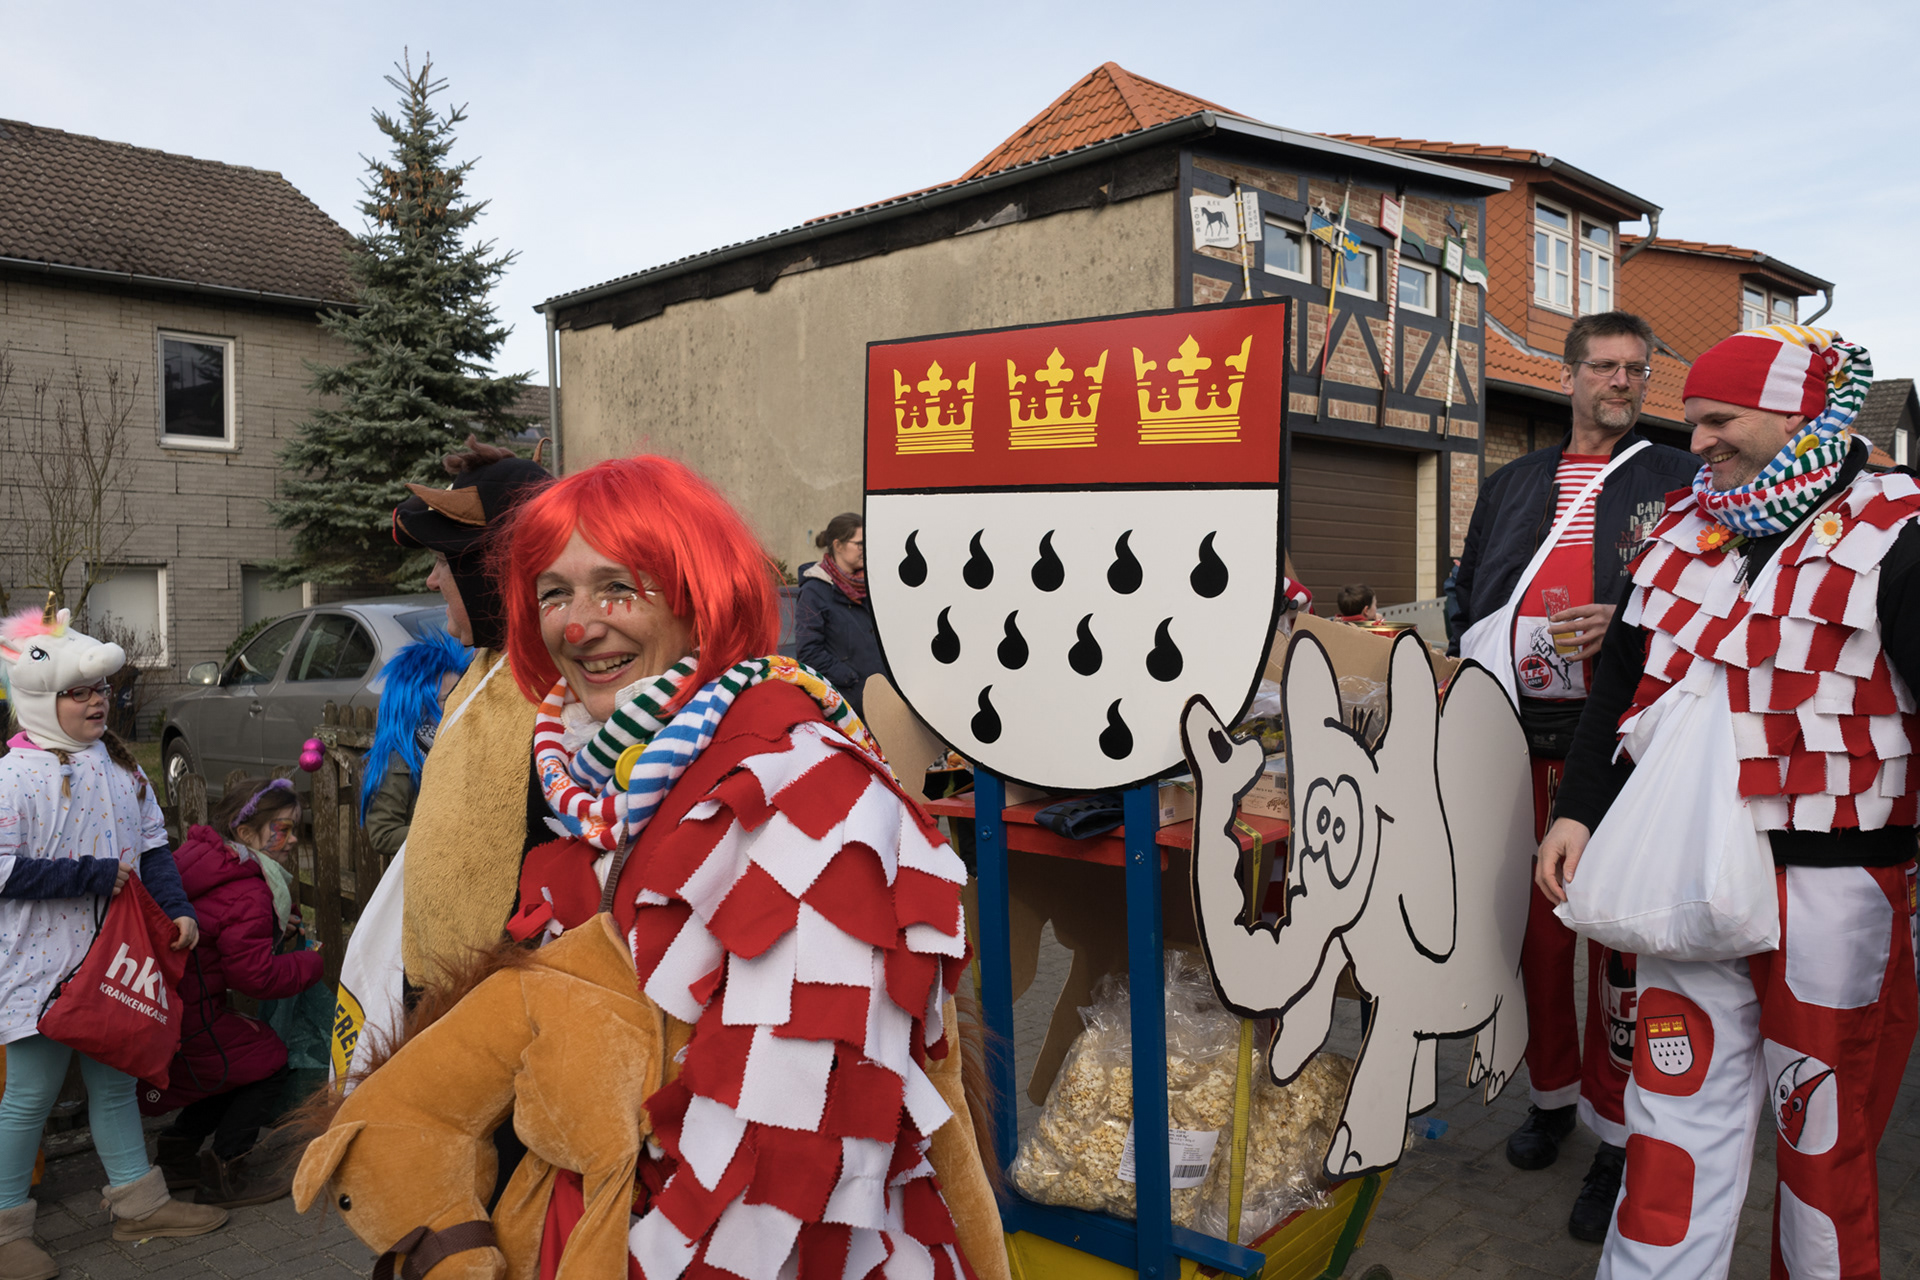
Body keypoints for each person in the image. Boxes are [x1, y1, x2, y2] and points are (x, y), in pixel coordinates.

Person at [314, 455, 1002, 1280]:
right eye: (555, 594)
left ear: (698, 597)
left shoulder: (806, 792)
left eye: (617, 588)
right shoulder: (603, 766)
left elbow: (788, 1182)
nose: (577, 628)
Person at [1541, 326, 1919, 1276]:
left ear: (1797, 416)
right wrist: (1577, 811)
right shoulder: (1678, 529)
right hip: (1686, 879)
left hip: (1834, 891)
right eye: (1693, 420)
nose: (1697, 440)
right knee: (1670, 1122)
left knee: (1822, 1142)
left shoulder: (1898, 526)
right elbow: (1619, 686)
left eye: (1720, 420)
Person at [1448, 310, 1699, 1239]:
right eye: (1604, 367)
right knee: (1536, 942)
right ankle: (1551, 1097)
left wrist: (1623, 620)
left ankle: (1618, 1135)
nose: (1622, 382)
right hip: (1518, 745)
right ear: (1568, 376)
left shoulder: (1677, 477)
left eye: (1636, 368)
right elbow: (1467, 593)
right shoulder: (1512, 482)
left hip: (1620, 754)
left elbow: (1706, 597)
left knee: (1618, 953)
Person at [0, 605, 226, 1277]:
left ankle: (138, 1205)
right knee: (31, 1097)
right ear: (39, 699)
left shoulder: (124, 770)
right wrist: (91, 875)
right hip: (39, 971)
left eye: (100, 690)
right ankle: (6, 1229)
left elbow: (153, 847)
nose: (98, 701)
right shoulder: (11, 779)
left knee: (115, 1083)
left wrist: (176, 908)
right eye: (79, 692)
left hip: (114, 966)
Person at [143, 778, 324, 1208]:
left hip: (171, 1007)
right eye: (282, 829)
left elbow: (223, 930)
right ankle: (224, 1172)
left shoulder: (206, 863)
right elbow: (253, 976)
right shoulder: (250, 890)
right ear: (245, 832)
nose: (292, 839)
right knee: (268, 1061)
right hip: (194, 1015)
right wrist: (311, 963)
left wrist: (275, 930)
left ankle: (177, 1156)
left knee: (236, 1066)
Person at [359, 629, 471, 860]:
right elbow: (383, 834)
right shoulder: (398, 761)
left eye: (461, 695)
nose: (458, 704)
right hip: (424, 869)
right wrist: (447, 834)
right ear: (418, 704)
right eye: (447, 699)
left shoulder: (454, 743)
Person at [794, 511, 887, 718]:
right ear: (838, 545)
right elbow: (809, 652)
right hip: (847, 707)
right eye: (859, 544)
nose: (865, 549)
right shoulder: (814, 591)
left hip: (882, 701)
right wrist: (852, 678)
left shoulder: (871, 585)